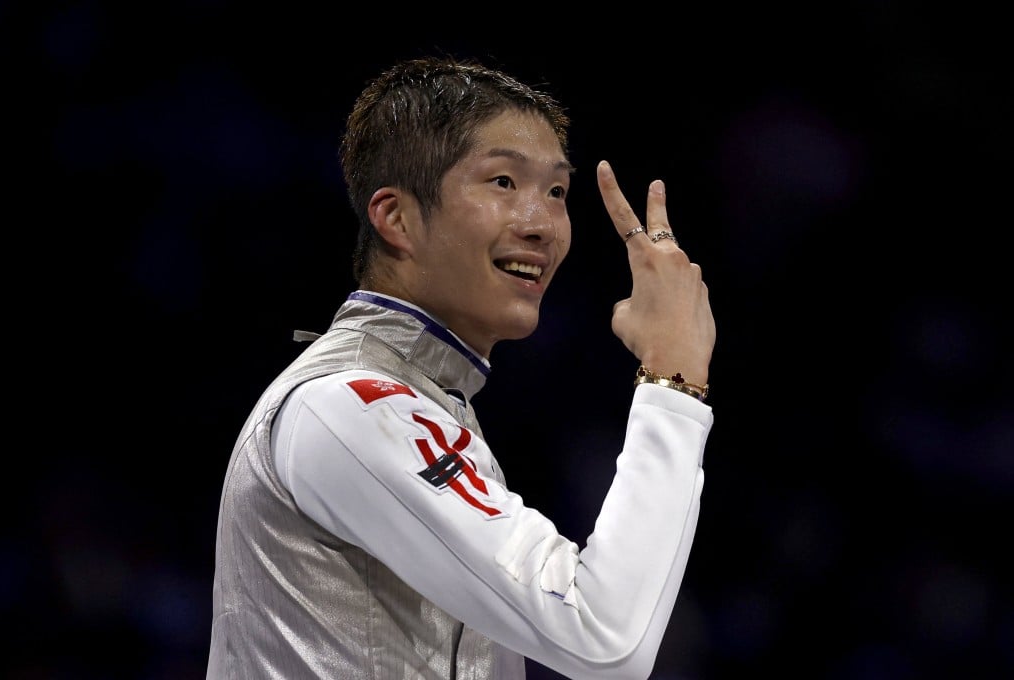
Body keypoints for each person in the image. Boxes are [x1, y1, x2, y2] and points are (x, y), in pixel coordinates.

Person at [206, 55, 716, 680]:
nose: (541, 226)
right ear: (396, 218)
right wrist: (673, 379)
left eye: (555, 192)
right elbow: (602, 641)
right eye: (502, 182)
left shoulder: (424, 403)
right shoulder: (348, 407)